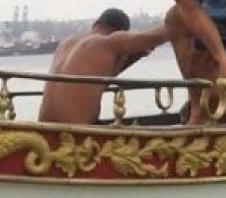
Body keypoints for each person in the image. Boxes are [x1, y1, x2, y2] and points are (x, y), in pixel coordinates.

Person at [37, 7, 168, 124]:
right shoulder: (109, 42)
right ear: (121, 33)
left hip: (44, 131)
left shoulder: (65, 44)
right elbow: (154, 36)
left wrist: (135, 56)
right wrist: (181, 15)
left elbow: (98, 75)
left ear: (95, 24)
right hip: (77, 137)